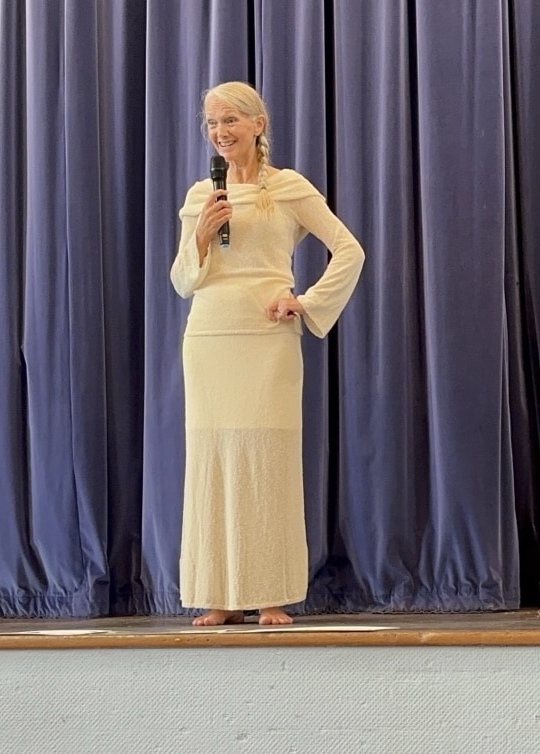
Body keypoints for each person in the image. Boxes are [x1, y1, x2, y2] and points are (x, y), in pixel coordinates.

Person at [170, 81, 365, 626]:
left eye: (230, 120)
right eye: (211, 124)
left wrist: (303, 301)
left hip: (267, 337)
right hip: (210, 336)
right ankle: (219, 594)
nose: (220, 133)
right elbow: (183, 280)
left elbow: (349, 249)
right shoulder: (199, 196)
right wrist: (202, 237)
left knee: (266, 461)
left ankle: (270, 594)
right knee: (214, 459)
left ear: (259, 124)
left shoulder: (289, 188)